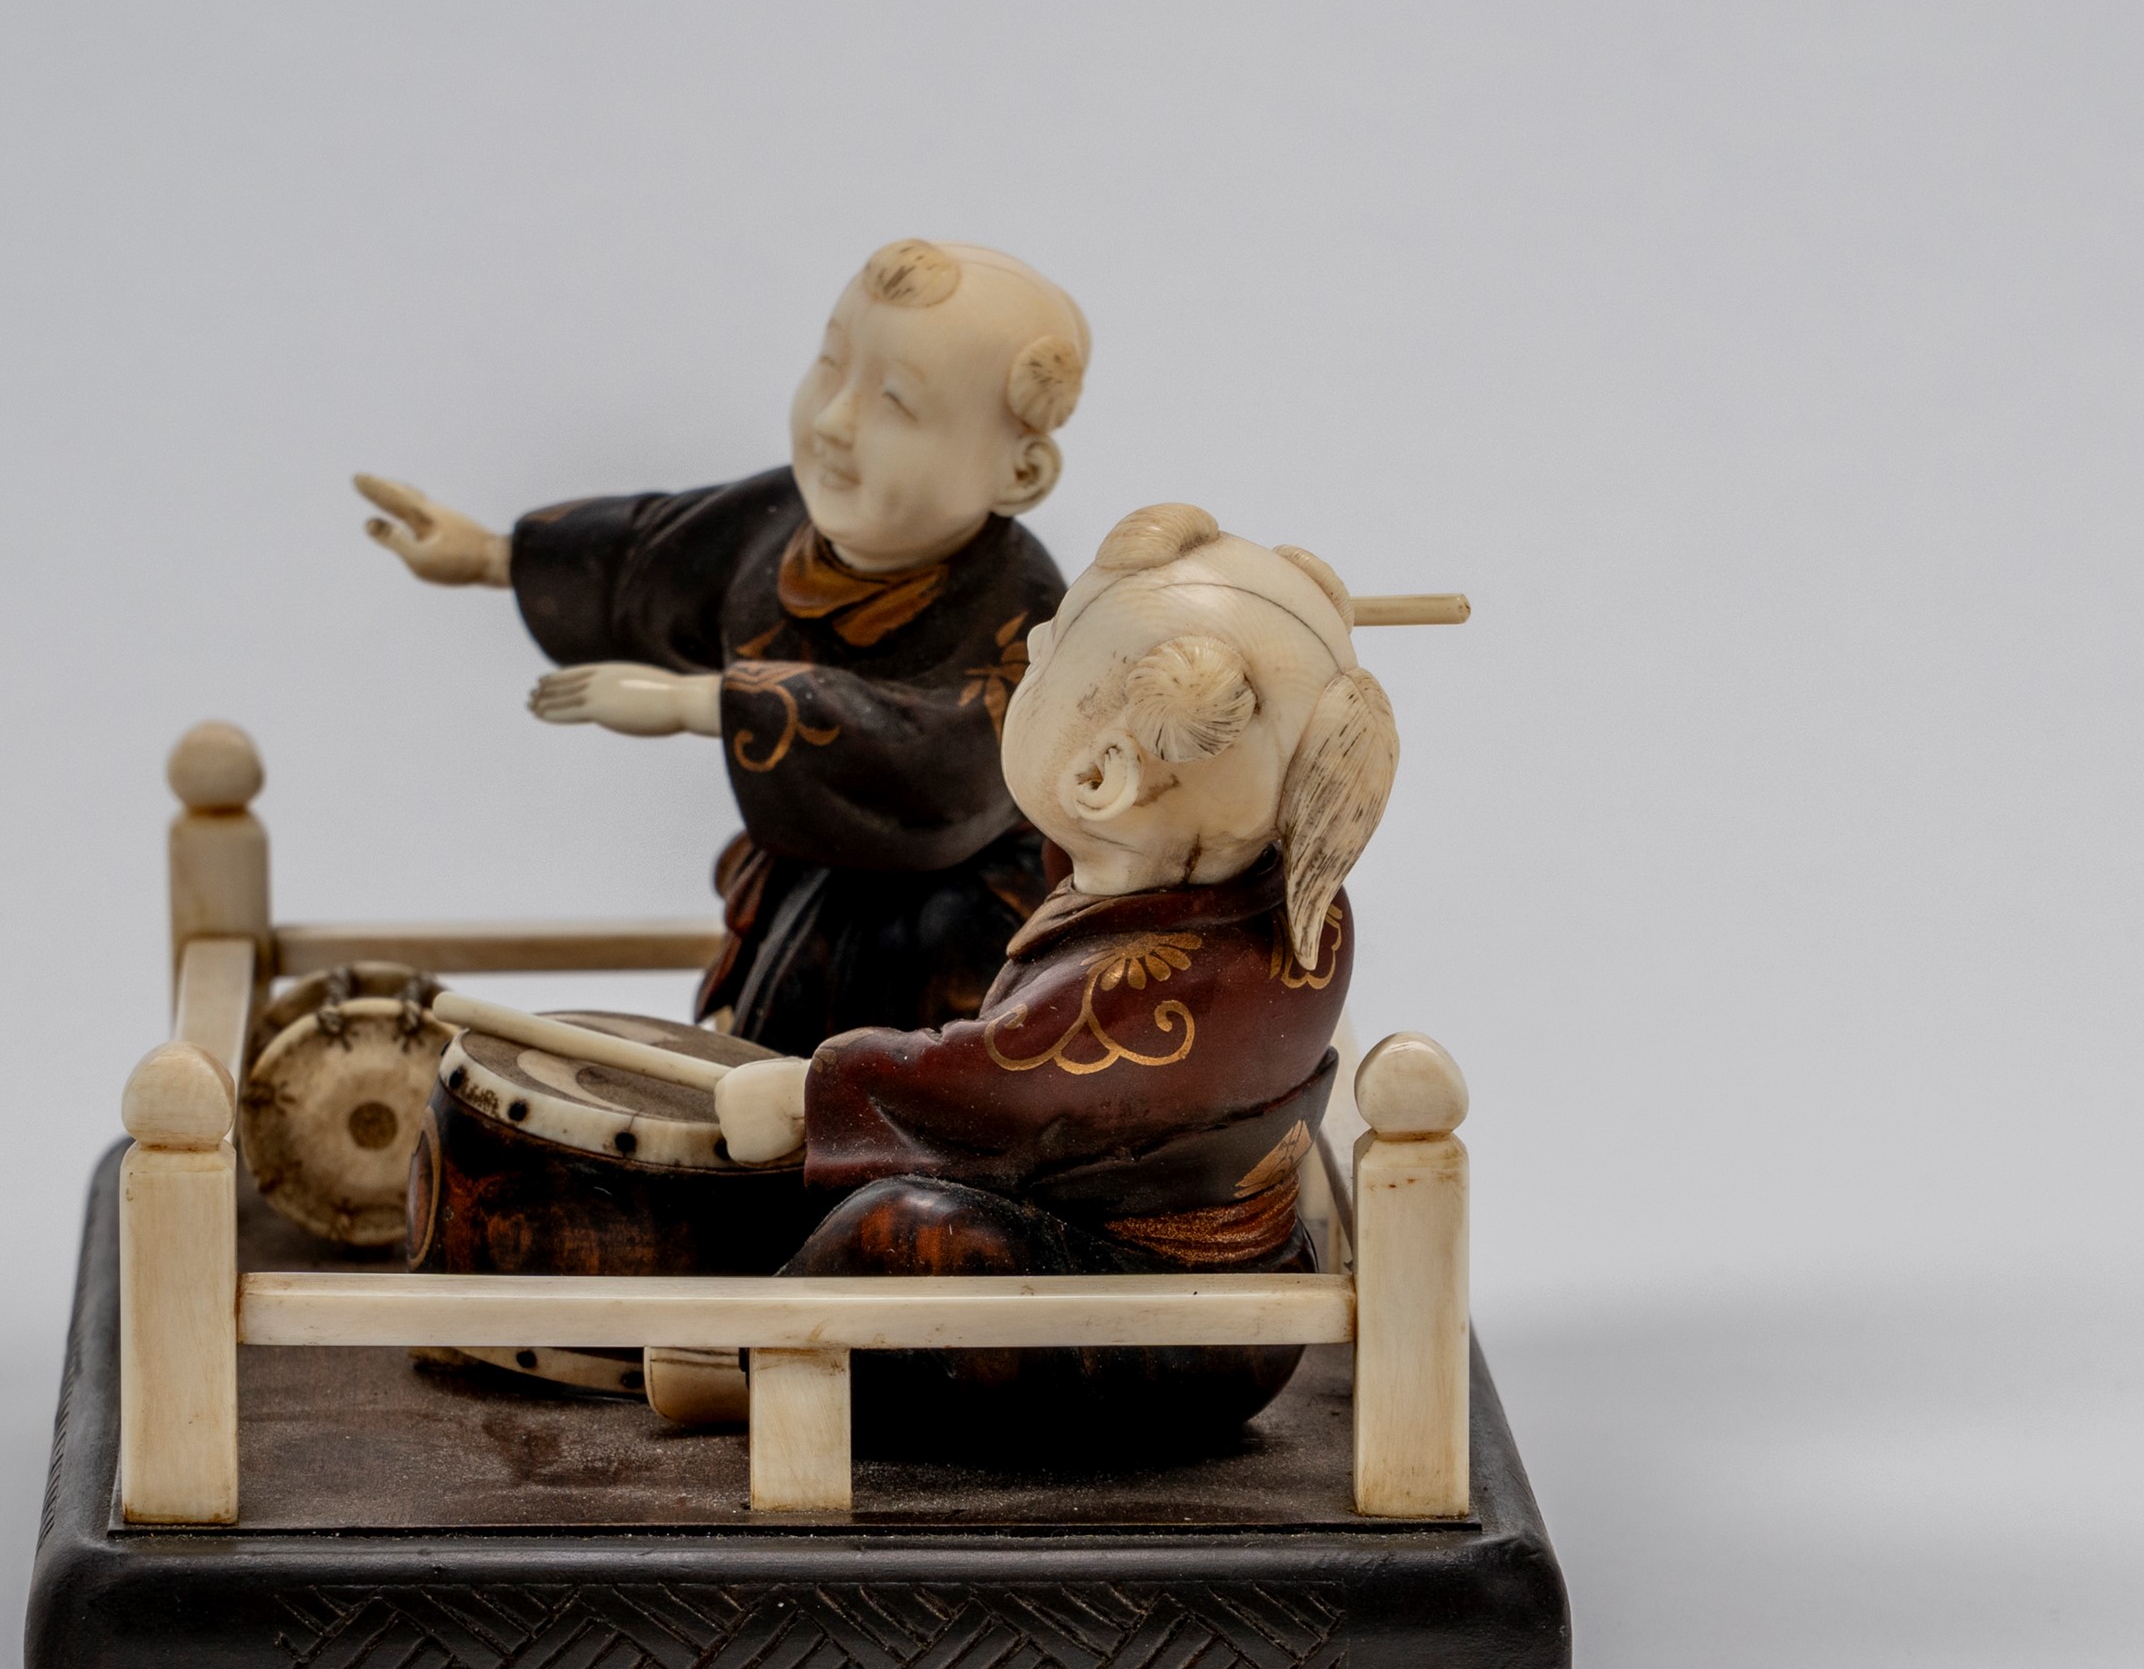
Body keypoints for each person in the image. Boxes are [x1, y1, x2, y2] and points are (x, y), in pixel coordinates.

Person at [703, 504, 1400, 1453]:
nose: (1030, 642)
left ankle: (741, 1367)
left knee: (899, 1229)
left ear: (1103, 780)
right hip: (1216, 1296)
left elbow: (995, 1089)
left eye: (1050, 654)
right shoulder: (1290, 893)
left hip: (1172, 1331)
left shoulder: (1155, 992)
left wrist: (811, 1090)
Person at [354, 240, 1091, 1050]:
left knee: (893, 1054)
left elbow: (942, 759)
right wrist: (489, 557)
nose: (834, 422)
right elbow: (652, 551)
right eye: (829, 367)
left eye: (895, 403)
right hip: (808, 881)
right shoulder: (781, 523)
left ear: (1020, 475)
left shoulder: (1029, 612)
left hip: (954, 924)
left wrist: (706, 702)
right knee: (759, 1043)